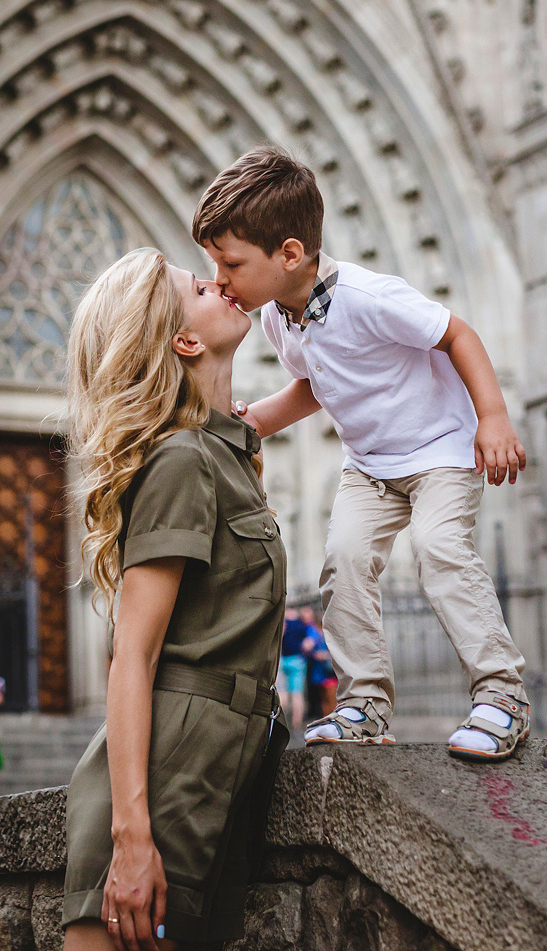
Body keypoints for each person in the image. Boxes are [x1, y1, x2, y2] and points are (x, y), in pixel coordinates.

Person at [193, 145, 530, 762]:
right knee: (342, 562)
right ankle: (364, 705)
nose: (219, 281)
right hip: (370, 466)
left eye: (230, 264)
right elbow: (313, 385)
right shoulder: (277, 319)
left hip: (439, 453)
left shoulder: (372, 296)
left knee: (439, 551)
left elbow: (457, 333)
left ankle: (502, 695)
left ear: (290, 254)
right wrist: (257, 420)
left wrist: (494, 418)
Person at [62, 248, 289, 951]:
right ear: (184, 340)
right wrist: (132, 840)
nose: (221, 282)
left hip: (213, 776)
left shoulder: (226, 452)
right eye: (200, 284)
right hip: (158, 794)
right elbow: (132, 655)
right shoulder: (183, 459)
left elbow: (320, 386)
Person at [300, 606, 337, 721]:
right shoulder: (328, 632)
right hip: (327, 671)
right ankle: (330, 722)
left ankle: (328, 721)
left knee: (326, 699)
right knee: (329, 699)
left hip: (323, 671)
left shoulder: (314, 631)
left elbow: (306, 646)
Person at [278, 606, 311, 729]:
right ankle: (296, 723)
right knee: (297, 694)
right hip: (297, 660)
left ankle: (281, 720)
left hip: (283, 660)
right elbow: (310, 640)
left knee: (282, 693)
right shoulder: (300, 624)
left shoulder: (283, 623)